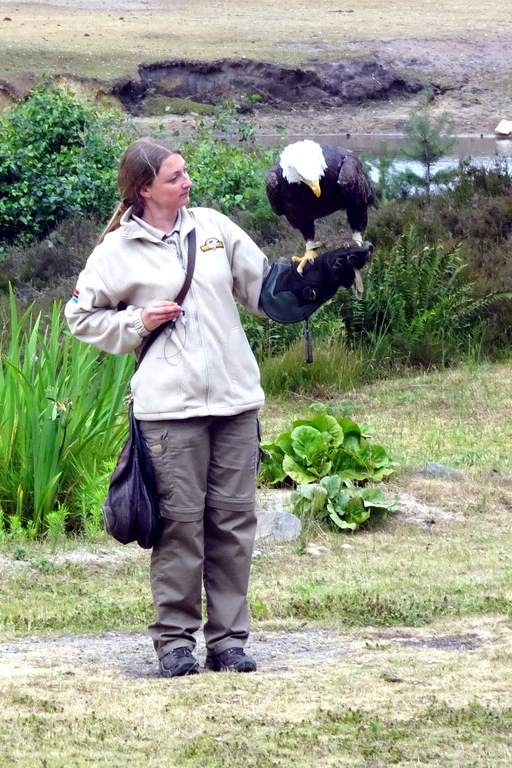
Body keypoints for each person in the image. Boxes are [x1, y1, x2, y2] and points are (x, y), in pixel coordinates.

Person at [65, 138, 367, 678]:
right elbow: (79, 317)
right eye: (175, 178)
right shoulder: (116, 252)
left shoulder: (214, 228)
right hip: (167, 412)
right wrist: (136, 323)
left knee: (232, 525)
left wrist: (317, 282)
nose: (187, 184)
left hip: (235, 402)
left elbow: (265, 291)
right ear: (144, 189)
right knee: (179, 529)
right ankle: (175, 644)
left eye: (186, 174)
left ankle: (228, 642)